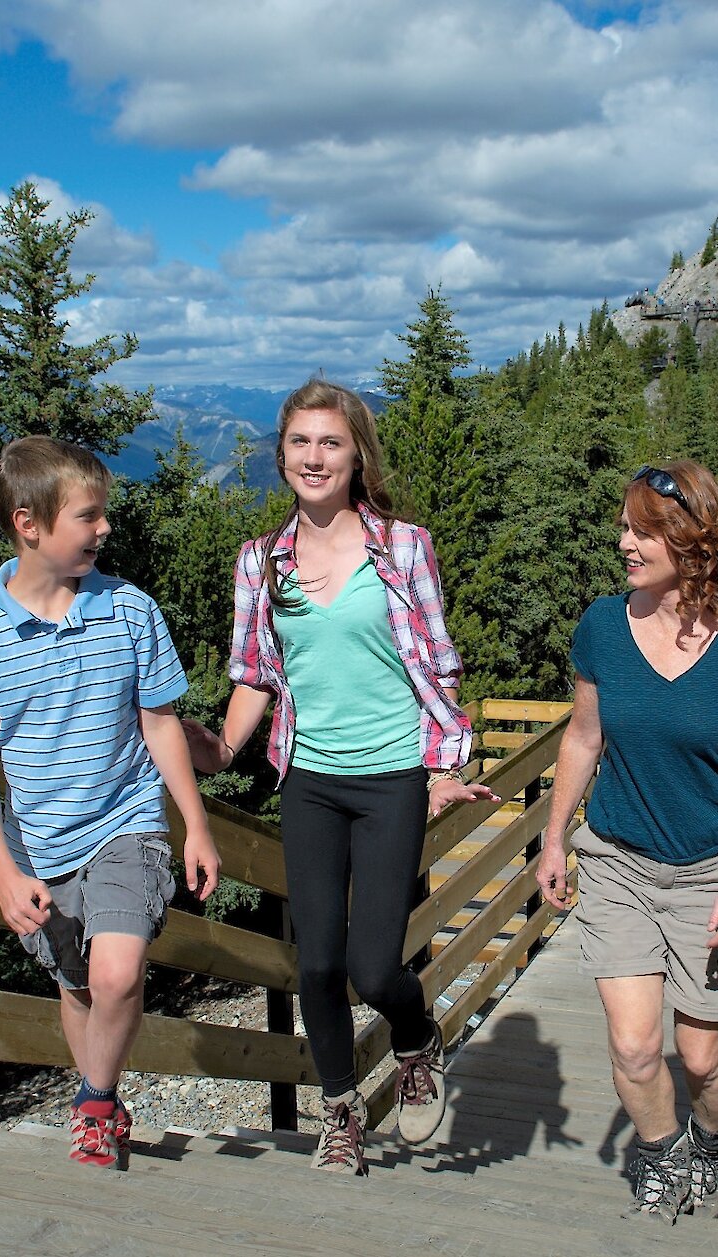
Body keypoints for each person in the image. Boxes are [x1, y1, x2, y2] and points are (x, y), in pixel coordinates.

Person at [185, 378, 496, 1176]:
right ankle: (341, 1111)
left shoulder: (404, 546)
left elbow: (438, 664)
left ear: (357, 453)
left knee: (373, 966)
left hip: (393, 773)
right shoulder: (261, 562)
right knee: (316, 962)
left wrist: (442, 766)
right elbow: (254, 672)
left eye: (330, 442)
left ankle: (417, 1035)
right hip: (311, 779)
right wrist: (219, 746)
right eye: (300, 442)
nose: (314, 457)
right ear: (281, 453)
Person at [0, 436, 220, 1171]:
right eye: (88, 516)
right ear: (29, 523)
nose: (105, 529)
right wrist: (1, 870)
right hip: (41, 848)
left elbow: (160, 722)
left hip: (128, 822)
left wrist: (196, 823)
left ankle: (93, 1099)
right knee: (80, 984)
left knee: (118, 971)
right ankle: (102, 1101)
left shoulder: (131, 611)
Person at [537, 460, 718, 1225]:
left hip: (717, 866)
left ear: (693, 540)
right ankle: (660, 1151)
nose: (623, 542)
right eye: (624, 526)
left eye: (642, 530)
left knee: (704, 1058)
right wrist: (555, 836)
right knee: (636, 1047)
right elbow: (583, 738)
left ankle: (711, 1134)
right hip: (617, 857)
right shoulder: (601, 627)